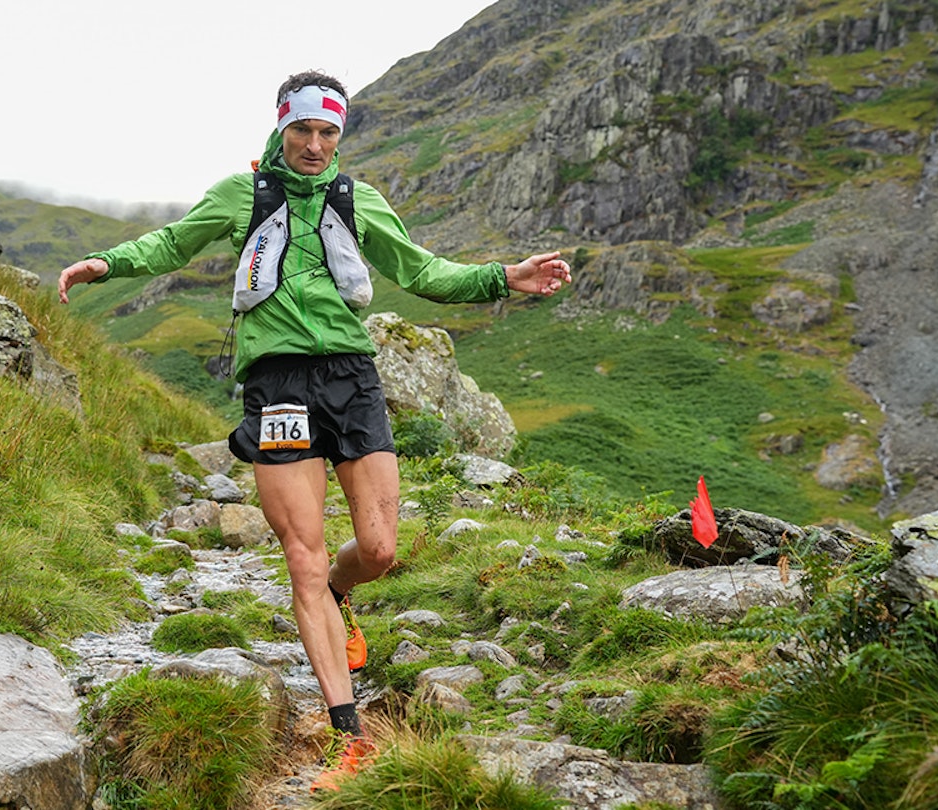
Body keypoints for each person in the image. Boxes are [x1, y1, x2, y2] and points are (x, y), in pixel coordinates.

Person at [58, 70, 570, 790]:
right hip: (277, 385)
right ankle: (348, 735)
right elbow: (175, 243)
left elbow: (421, 271)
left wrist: (501, 277)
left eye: (329, 132)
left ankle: (340, 591)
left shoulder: (359, 200)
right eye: (303, 129)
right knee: (301, 555)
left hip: (352, 378)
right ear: (280, 123)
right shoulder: (243, 195)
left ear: (341, 135)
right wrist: (107, 263)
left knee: (382, 548)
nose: (314, 144)